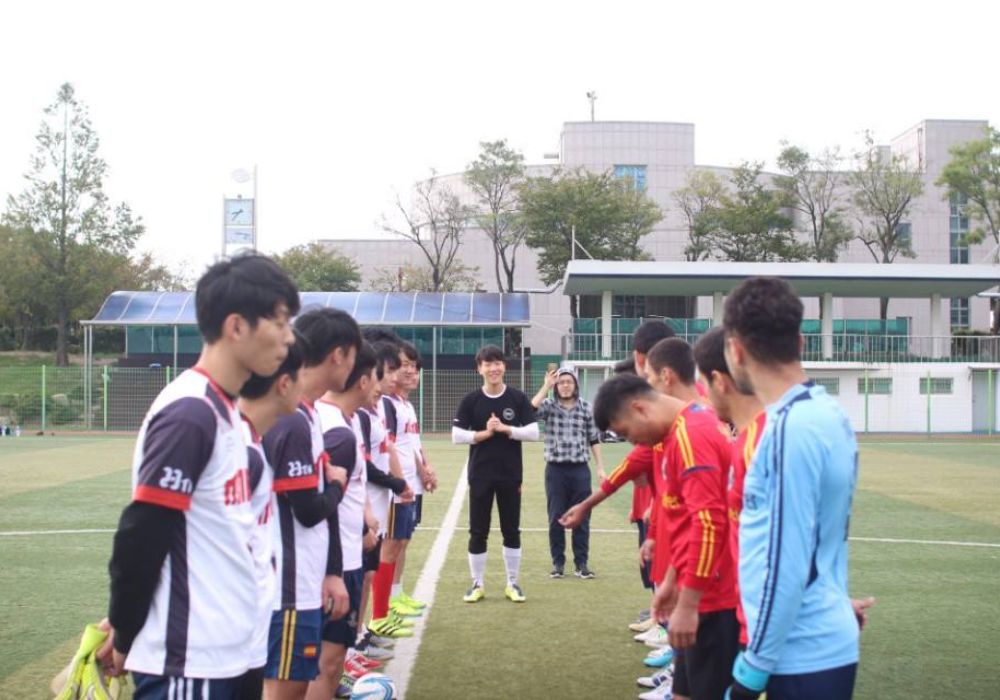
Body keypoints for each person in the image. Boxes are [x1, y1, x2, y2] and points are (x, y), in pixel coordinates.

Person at [100, 254, 299, 698]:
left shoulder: (225, 411)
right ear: (236, 327)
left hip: (230, 654)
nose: (288, 339)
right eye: (281, 322)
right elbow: (142, 531)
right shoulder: (191, 412)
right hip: (188, 662)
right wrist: (128, 630)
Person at [722, 277, 860, 700]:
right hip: (820, 643)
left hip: (799, 654)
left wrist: (751, 671)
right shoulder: (829, 412)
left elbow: (786, 561)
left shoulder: (786, 430)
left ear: (736, 350)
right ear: (801, 341)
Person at [594, 366, 738, 700]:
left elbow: (708, 523)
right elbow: (687, 518)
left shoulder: (692, 434)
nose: (635, 443)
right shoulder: (678, 433)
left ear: (639, 408)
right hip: (695, 588)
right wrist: (672, 581)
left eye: (628, 433)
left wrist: (688, 603)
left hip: (712, 597)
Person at [262, 308, 361, 700]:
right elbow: (306, 509)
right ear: (338, 355)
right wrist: (336, 484)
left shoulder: (304, 414)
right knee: (284, 692)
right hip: (287, 587)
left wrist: (330, 570)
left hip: (302, 580)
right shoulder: (293, 420)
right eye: (353, 356)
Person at [237, 336, 306, 699]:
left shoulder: (251, 445)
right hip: (225, 632)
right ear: (284, 383)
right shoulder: (237, 451)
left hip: (251, 623)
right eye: (301, 375)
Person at [309, 342, 379, 700]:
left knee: (330, 663)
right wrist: (333, 569)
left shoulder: (346, 423)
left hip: (345, 557)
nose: (380, 387)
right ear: (363, 381)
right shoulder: (336, 430)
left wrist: (364, 521)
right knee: (327, 663)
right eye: (377, 377)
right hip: (335, 564)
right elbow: (324, 506)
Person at [693, 327, 765, 650]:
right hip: (746, 615)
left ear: (720, 382)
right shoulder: (743, 439)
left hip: (765, 635)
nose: (704, 395)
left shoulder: (764, 440)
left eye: (705, 385)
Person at [452, 344, 539, 603]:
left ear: (504, 366)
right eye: (487, 364)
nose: (493, 368)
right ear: (479, 369)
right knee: (478, 531)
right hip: (480, 475)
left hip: (511, 475)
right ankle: (477, 583)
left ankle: (512, 583)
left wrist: (506, 429)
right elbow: (457, 436)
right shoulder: (471, 400)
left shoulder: (517, 398)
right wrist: (484, 434)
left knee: (511, 530)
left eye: (497, 362)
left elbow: (534, 432)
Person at [531, 366, 605, 579]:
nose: (565, 385)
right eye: (561, 382)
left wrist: (600, 467)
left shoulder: (586, 408)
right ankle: (558, 563)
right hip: (555, 471)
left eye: (569, 382)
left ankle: (581, 564)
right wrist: (546, 385)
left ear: (575, 385)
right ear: (557, 385)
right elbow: (530, 410)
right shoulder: (549, 406)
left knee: (582, 516)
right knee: (556, 517)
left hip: (580, 470)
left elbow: (593, 439)